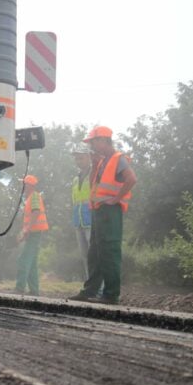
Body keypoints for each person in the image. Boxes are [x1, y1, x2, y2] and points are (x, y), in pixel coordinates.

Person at [71, 126, 137, 305]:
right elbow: (94, 185)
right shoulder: (101, 161)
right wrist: (93, 165)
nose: (91, 145)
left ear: (103, 140)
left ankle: (111, 294)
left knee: (109, 251)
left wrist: (116, 198)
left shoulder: (118, 159)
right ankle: (90, 291)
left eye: (93, 142)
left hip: (110, 211)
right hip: (98, 210)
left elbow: (132, 179)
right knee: (95, 252)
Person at [15, 175, 48, 296]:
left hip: (34, 233)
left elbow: (36, 211)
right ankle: (34, 291)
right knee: (32, 262)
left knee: (24, 260)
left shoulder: (34, 196)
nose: (22, 187)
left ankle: (19, 288)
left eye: (24, 184)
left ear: (29, 185)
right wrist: (25, 231)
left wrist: (26, 230)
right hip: (34, 233)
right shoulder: (31, 197)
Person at [70, 143, 94, 280]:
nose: (78, 161)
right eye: (76, 158)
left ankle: (100, 288)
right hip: (78, 222)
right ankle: (91, 285)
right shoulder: (75, 179)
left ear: (89, 157)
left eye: (81, 158)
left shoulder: (94, 175)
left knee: (94, 255)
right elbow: (76, 202)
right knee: (85, 256)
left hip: (91, 220)